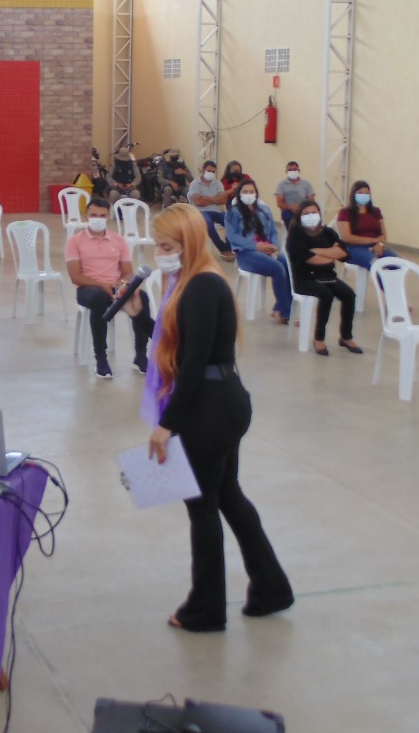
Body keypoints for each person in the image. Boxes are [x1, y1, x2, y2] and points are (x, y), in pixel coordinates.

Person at [144, 203, 293, 633]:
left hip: (210, 408)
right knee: (227, 494)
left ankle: (206, 608)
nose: (160, 254)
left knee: (203, 506)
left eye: (167, 246)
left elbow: (191, 365)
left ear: (189, 244)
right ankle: (271, 586)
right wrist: (138, 312)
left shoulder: (202, 287)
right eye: (158, 246)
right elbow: (177, 342)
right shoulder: (192, 283)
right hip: (221, 402)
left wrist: (166, 424)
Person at [65, 196, 154, 378]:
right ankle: (101, 358)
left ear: (108, 217)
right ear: (86, 215)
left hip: (116, 286)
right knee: (98, 298)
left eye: (102, 215)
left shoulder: (119, 240)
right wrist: (102, 285)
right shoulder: (75, 241)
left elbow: (127, 271)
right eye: (93, 215)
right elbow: (75, 276)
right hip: (88, 288)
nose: (98, 219)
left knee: (142, 297)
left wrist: (121, 284)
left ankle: (140, 354)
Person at [286, 200, 360, 356]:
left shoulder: (327, 232)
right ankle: (319, 338)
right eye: (306, 213)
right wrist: (330, 253)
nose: (311, 216)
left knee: (349, 295)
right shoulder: (295, 235)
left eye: (314, 212)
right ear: (299, 217)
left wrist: (317, 251)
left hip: (327, 276)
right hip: (304, 279)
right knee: (326, 295)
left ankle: (346, 336)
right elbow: (311, 260)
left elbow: (343, 253)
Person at [225, 178, 292, 324]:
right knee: (277, 268)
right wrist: (256, 246)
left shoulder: (264, 210)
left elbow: (273, 231)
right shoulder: (233, 212)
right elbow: (232, 236)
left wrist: (273, 246)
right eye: (245, 192)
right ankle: (286, 313)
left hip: (266, 250)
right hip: (245, 253)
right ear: (239, 194)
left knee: (287, 263)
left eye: (252, 192)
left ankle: (279, 308)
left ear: (256, 194)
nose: (249, 194)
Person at [335, 179, 397, 270]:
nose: (363, 196)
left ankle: (392, 280)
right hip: (353, 248)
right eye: (360, 193)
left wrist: (380, 244)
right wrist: (373, 240)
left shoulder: (376, 211)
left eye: (366, 193)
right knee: (375, 264)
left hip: (376, 245)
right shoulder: (345, 212)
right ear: (353, 194)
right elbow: (346, 237)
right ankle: (382, 280)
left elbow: (383, 235)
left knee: (397, 263)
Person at [186, 160, 233, 260]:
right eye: (209, 171)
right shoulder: (195, 184)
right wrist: (215, 199)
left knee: (232, 221)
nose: (211, 173)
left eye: (213, 171)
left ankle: (228, 247)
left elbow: (223, 200)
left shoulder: (218, 183)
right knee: (208, 224)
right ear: (203, 170)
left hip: (217, 211)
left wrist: (205, 198)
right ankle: (223, 249)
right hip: (201, 212)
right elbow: (198, 202)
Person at [273, 161, 315, 229]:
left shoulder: (306, 184)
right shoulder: (281, 185)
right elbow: (279, 203)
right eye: (290, 170)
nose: (292, 171)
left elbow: (311, 201)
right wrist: (291, 207)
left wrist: (300, 208)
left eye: (295, 169)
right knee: (287, 216)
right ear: (286, 171)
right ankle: (292, 233)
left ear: (299, 170)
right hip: (288, 211)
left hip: (304, 210)